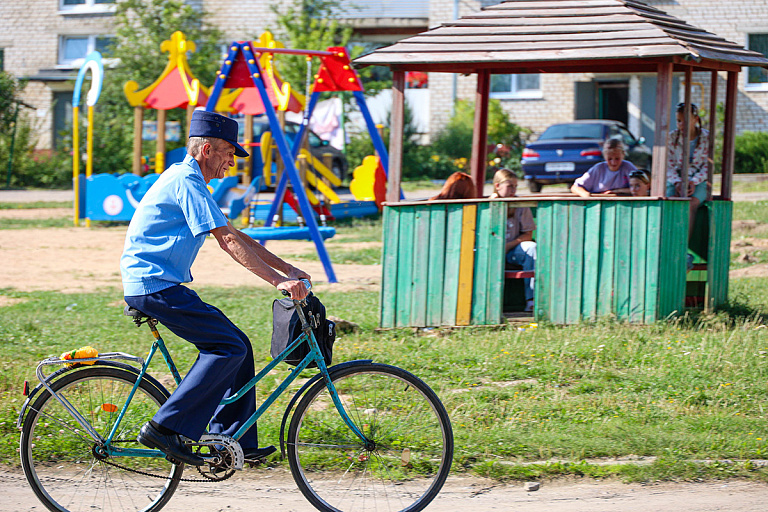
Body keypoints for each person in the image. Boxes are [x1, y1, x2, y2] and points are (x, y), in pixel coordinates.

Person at [121, 110, 311, 467]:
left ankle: (231, 439)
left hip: (160, 283)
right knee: (226, 347)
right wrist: (278, 282)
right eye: (227, 152)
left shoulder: (192, 180)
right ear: (206, 149)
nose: (231, 161)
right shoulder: (186, 182)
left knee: (237, 343)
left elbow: (237, 235)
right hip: (153, 285)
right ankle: (164, 426)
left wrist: (286, 268)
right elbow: (226, 241)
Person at [492, 169, 536, 313]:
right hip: (491, 250)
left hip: (512, 251)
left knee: (531, 247)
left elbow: (528, 234)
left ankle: (531, 300)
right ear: (497, 186)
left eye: (515, 186)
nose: (513, 190)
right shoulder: (488, 204)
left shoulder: (520, 205)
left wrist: (508, 245)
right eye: (509, 186)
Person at [667, 102, 710, 249]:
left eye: (685, 120)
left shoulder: (706, 138)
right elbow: (668, 164)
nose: (681, 125)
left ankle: (682, 246)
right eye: (678, 121)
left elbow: (708, 165)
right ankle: (668, 242)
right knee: (670, 201)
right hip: (676, 179)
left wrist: (693, 181)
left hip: (699, 180)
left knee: (691, 203)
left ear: (695, 119)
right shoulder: (672, 137)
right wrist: (678, 182)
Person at [570, 138, 636, 197]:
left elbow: (641, 188)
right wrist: (586, 196)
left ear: (623, 155)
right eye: (609, 159)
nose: (613, 162)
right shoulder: (598, 168)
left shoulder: (628, 167)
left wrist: (618, 191)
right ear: (604, 157)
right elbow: (575, 187)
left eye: (617, 159)